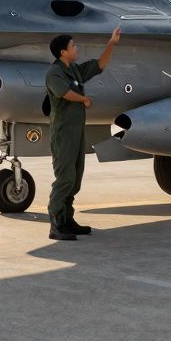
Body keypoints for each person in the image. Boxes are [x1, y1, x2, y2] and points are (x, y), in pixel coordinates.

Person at [45, 28, 121, 240]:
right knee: (65, 177)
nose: (76, 48)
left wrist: (112, 43)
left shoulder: (75, 70)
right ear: (63, 52)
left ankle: (68, 221)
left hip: (76, 133)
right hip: (63, 134)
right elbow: (65, 93)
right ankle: (56, 224)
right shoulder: (55, 73)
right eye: (73, 46)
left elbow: (100, 65)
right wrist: (84, 99)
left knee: (75, 179)